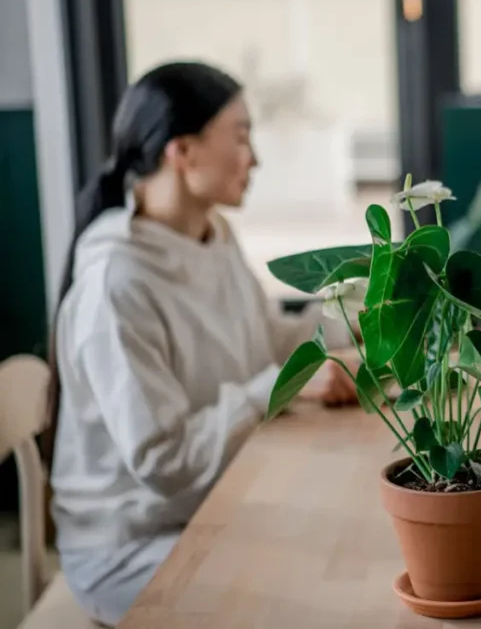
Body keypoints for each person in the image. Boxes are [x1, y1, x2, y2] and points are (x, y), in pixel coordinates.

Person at [46, 61, 356, 626]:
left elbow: (268, 339)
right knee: (319, 595)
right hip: (133, 547)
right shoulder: (117, 284)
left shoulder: (213, 235)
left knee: (347, 540)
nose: (255, 158)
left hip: (215, 501)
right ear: (181, 152)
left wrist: (361, 315)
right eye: (240, 136)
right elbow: (163, 461)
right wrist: (280, 387)